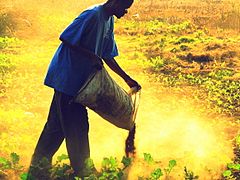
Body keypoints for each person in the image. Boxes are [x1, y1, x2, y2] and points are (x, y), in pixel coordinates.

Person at [28, 0, 140, 178]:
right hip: (68, 79)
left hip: (78, 82)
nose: (125, 12)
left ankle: (37, 167)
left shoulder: (108, 20)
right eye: (124, 7)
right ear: (115, 1)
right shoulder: (92, 15)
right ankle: (84, 171)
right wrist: (91, 56)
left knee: (56, 126)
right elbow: (65, 37)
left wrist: (127, 78)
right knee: (77, 125)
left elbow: (106, 54)